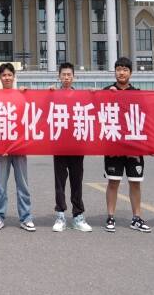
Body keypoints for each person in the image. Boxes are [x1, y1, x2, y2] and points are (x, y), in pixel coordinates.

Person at [102, 57, 151, 233]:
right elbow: (96, 113)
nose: (121, 73)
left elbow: (145, 120)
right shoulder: (107, 91)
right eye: (118, 69)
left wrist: (149, 146)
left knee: (135, 183)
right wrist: (105, 97)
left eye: (125, 69)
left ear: (130, 73)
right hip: (113, 146)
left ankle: (136, 218)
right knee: (113, 182)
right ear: (114, 72)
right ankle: (110, 216)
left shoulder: (137, 94)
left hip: (133, 147)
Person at [0, 63, 35, 232]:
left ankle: (26, 217)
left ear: (14, 76)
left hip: (19, 146)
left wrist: (27, 94)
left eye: (10, 74)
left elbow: (30, 116)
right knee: (0, 184)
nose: (7, 77)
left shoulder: (21, 95)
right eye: (4, 75)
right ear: (0, 78)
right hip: (1, 147)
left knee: (22, 184)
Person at [49, 62, 92, 233]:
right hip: (59, 144)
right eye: (63, 75)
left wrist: (94, 94)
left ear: (74, 77)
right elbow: (39, 108)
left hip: (76, 145)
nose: (66, 78)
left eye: (69, 75)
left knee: (76, 181)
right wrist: (47, 94)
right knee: (59, 182)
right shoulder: (53, 94)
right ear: (59, 76)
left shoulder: (80, 96)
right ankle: (60, 216)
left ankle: (78, 216)